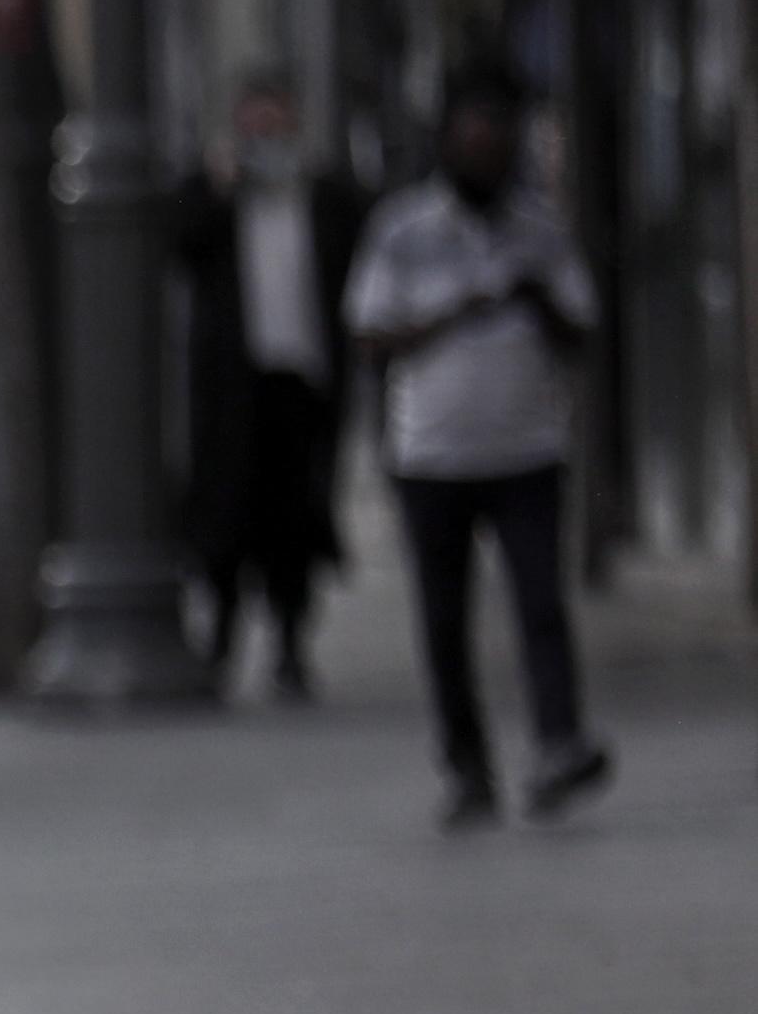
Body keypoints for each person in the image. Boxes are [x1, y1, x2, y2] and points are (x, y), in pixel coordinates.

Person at [344, 66, 609, 826]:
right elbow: (368, 334)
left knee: (541, 605)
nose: (486, 155)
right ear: (449, 148)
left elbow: (580, 330)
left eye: (498, 144)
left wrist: (535, 296)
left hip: (527, 451)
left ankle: (559, 741)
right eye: (473, 142)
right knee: (443, 620)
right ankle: (467, 766)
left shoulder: (539, 227)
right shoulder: (402, 228)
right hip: (432, 458)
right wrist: (456, 313)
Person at [176, 74, 357, 701]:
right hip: (233, 389)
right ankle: (221, 638)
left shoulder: (323, 196)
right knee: (225, 518)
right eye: (255, 124)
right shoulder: (215, 196)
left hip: (301, 382)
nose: (266, 137)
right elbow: (178, 239)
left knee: (295, 522)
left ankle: (289, 644)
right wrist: (220, 185)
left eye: (276, 123)